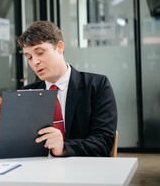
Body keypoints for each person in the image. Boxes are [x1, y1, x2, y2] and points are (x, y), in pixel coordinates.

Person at [17, 21, 117, 157]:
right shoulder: (27, 93)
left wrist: (64, 147)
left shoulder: (96, 85)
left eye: (40, 53)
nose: (35, 62)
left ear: (59, 47)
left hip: (83, 169)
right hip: (39, 170)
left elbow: (103, 142)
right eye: (29, 57)